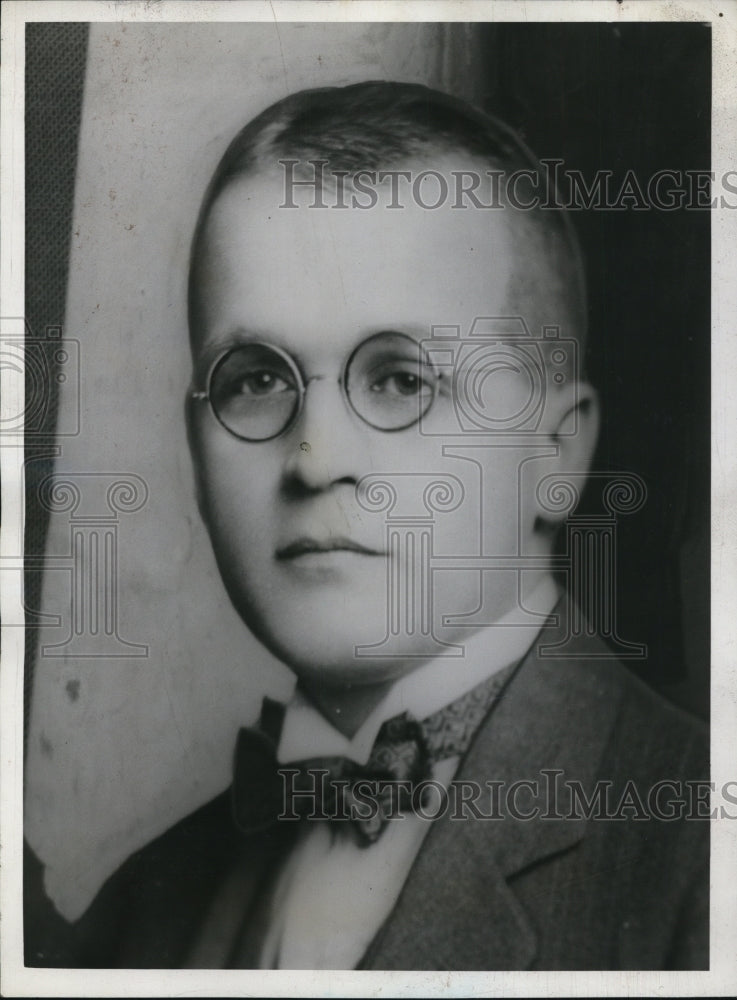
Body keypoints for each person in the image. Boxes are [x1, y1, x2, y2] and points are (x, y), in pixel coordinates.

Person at [25, 81, 708, 970]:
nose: (314, 459)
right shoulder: (138, 907)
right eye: (256, 380)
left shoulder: (698, 857)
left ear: (554, 455)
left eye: (399, 380)